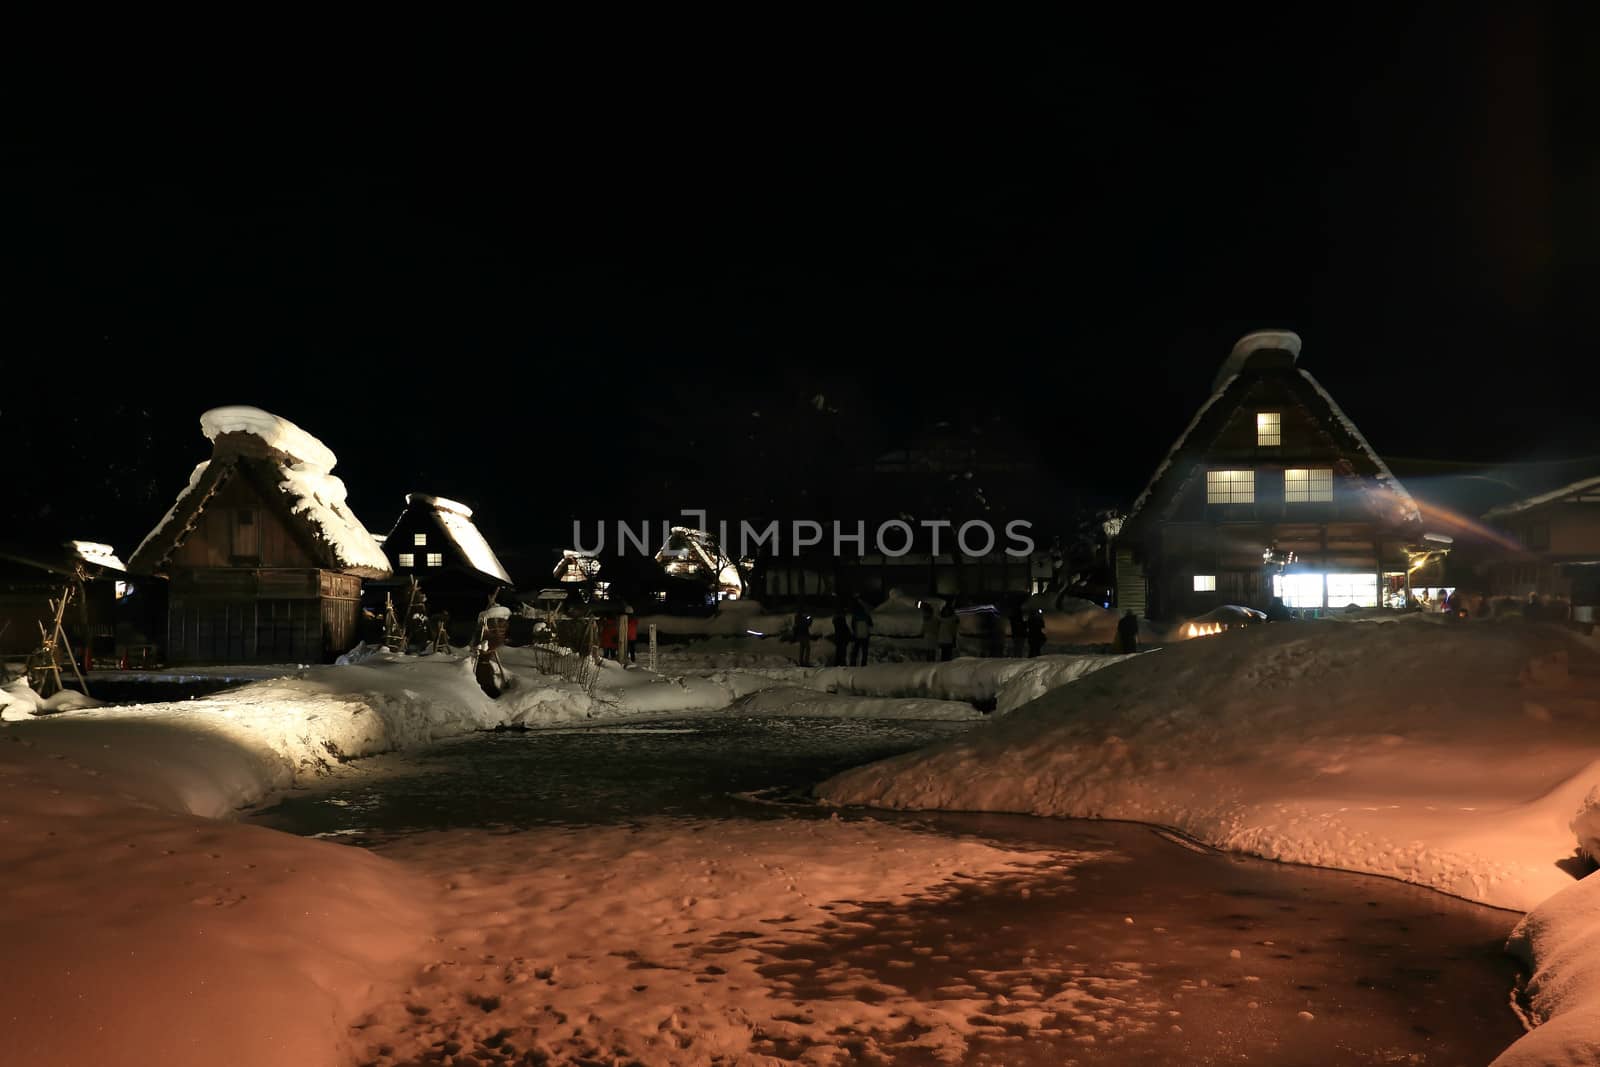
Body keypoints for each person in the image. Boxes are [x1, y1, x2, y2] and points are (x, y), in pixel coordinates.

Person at [849, 597, 874, 666]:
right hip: (865, 635)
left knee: (855, 651)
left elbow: (853, 625)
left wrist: (855, 631)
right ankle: (863, 665)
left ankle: (853, 664)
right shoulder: (866, 615)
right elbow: (871, 624)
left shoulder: (855, 616)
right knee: (864, 652)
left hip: (857, 635)